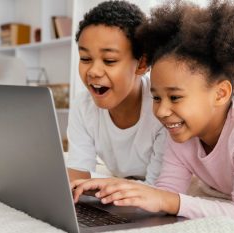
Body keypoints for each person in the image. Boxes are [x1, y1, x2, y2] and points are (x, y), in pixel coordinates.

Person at [71, 0, 234, 222]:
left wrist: (169, 200)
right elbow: (164, 194)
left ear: (220, 93)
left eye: (175, 97)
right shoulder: (181, 131)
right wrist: (121, 189)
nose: (162, 111)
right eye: (156, 97)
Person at [66, 0, 166, 185]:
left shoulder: (162, 108)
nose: (93, 71)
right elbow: (77, 178)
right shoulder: (83, 106)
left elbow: (158, 190)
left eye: (109, 60)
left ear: (142, 64)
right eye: (85, 58)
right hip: (125, 182)